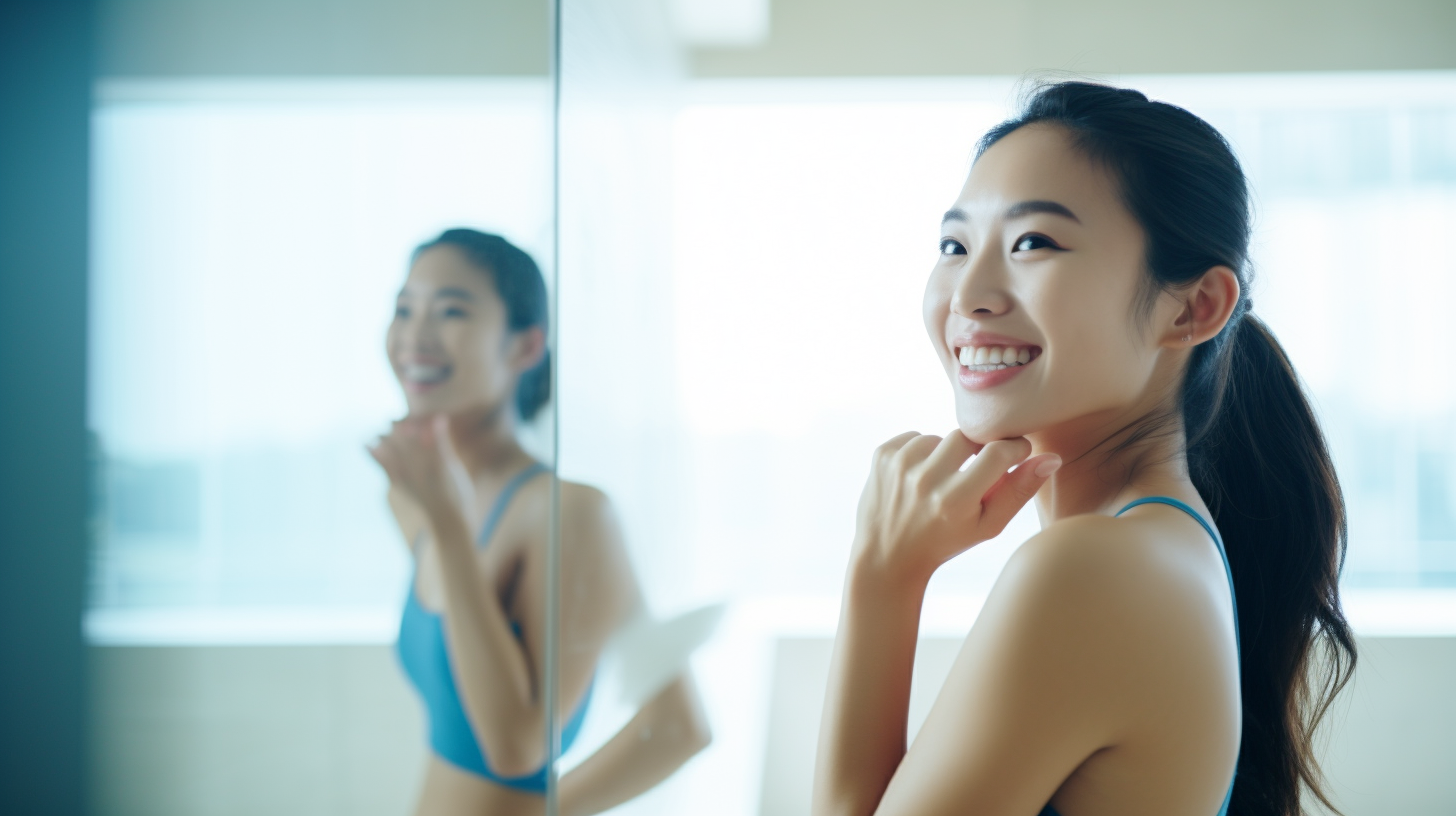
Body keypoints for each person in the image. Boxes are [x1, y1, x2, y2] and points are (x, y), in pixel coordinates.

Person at [812, 82, 1356, 816]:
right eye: (954, 245)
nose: (969, 293)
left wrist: (882, 576)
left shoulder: (1094, 568)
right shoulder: (1157, 546)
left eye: (1033, 242)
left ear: (1193, 308)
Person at [369, 229, 711, 816]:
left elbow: (517, 747)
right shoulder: (415, 498)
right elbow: (676, 722)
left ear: (526, 346)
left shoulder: (568, 514)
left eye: (450, 311)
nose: (414, 336)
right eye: (405, 309)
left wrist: (450, 529)